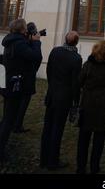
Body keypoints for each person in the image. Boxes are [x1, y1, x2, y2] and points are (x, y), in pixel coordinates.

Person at [0, 19, 42, 164]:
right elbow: (36, 57)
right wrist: (36, 42)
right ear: (22, 30)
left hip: (9, 83)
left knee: (7, 115)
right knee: (9, 119)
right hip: (15, 85)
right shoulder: (19, 44)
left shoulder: (11, 40)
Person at [76, 40, 105, 175]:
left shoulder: (88, 65)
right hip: (104, 105)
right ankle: (95, 167)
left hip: (88, 104)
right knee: (99, 139)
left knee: (83, 138)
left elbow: (80, 81)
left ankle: (81, 167)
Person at [40, 31, 82, 171]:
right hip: (64, 99)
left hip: (52, 94)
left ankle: (43, 158)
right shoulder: (76, 58)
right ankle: (52, 161)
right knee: (57, 129)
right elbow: (75, 83)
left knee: (47, 127)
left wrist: (52, 86)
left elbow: (48, 71)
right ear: (76, 42)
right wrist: (76, 102)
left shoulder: (55, 51)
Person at [13, 22, 43, 133]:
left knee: (17, 102)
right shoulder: (26, 44)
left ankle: (14, 123)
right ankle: (17, 125)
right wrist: (37, 42)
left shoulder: (21, 42)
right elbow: (37, 57)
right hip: (26, 78)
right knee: (23, 103)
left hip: (20, 77)